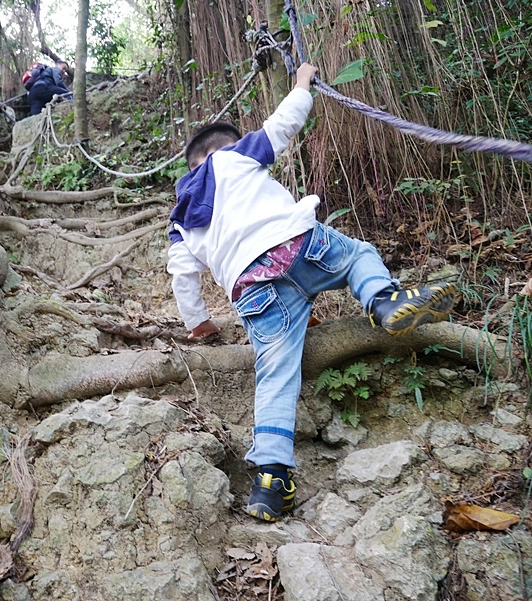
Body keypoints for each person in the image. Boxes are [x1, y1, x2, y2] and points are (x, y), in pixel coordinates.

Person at [166, 63, 457, 522]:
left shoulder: (180, 217)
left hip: (254, 290)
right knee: (358, 254)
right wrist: (302, 84)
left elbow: (182, 274)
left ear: (189, 166)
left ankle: (271, 481)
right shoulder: (234, 156)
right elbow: (281, 126)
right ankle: (384, 300)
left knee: (276, 375)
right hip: (300, 245)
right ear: (223, 148)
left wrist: (198, 322)